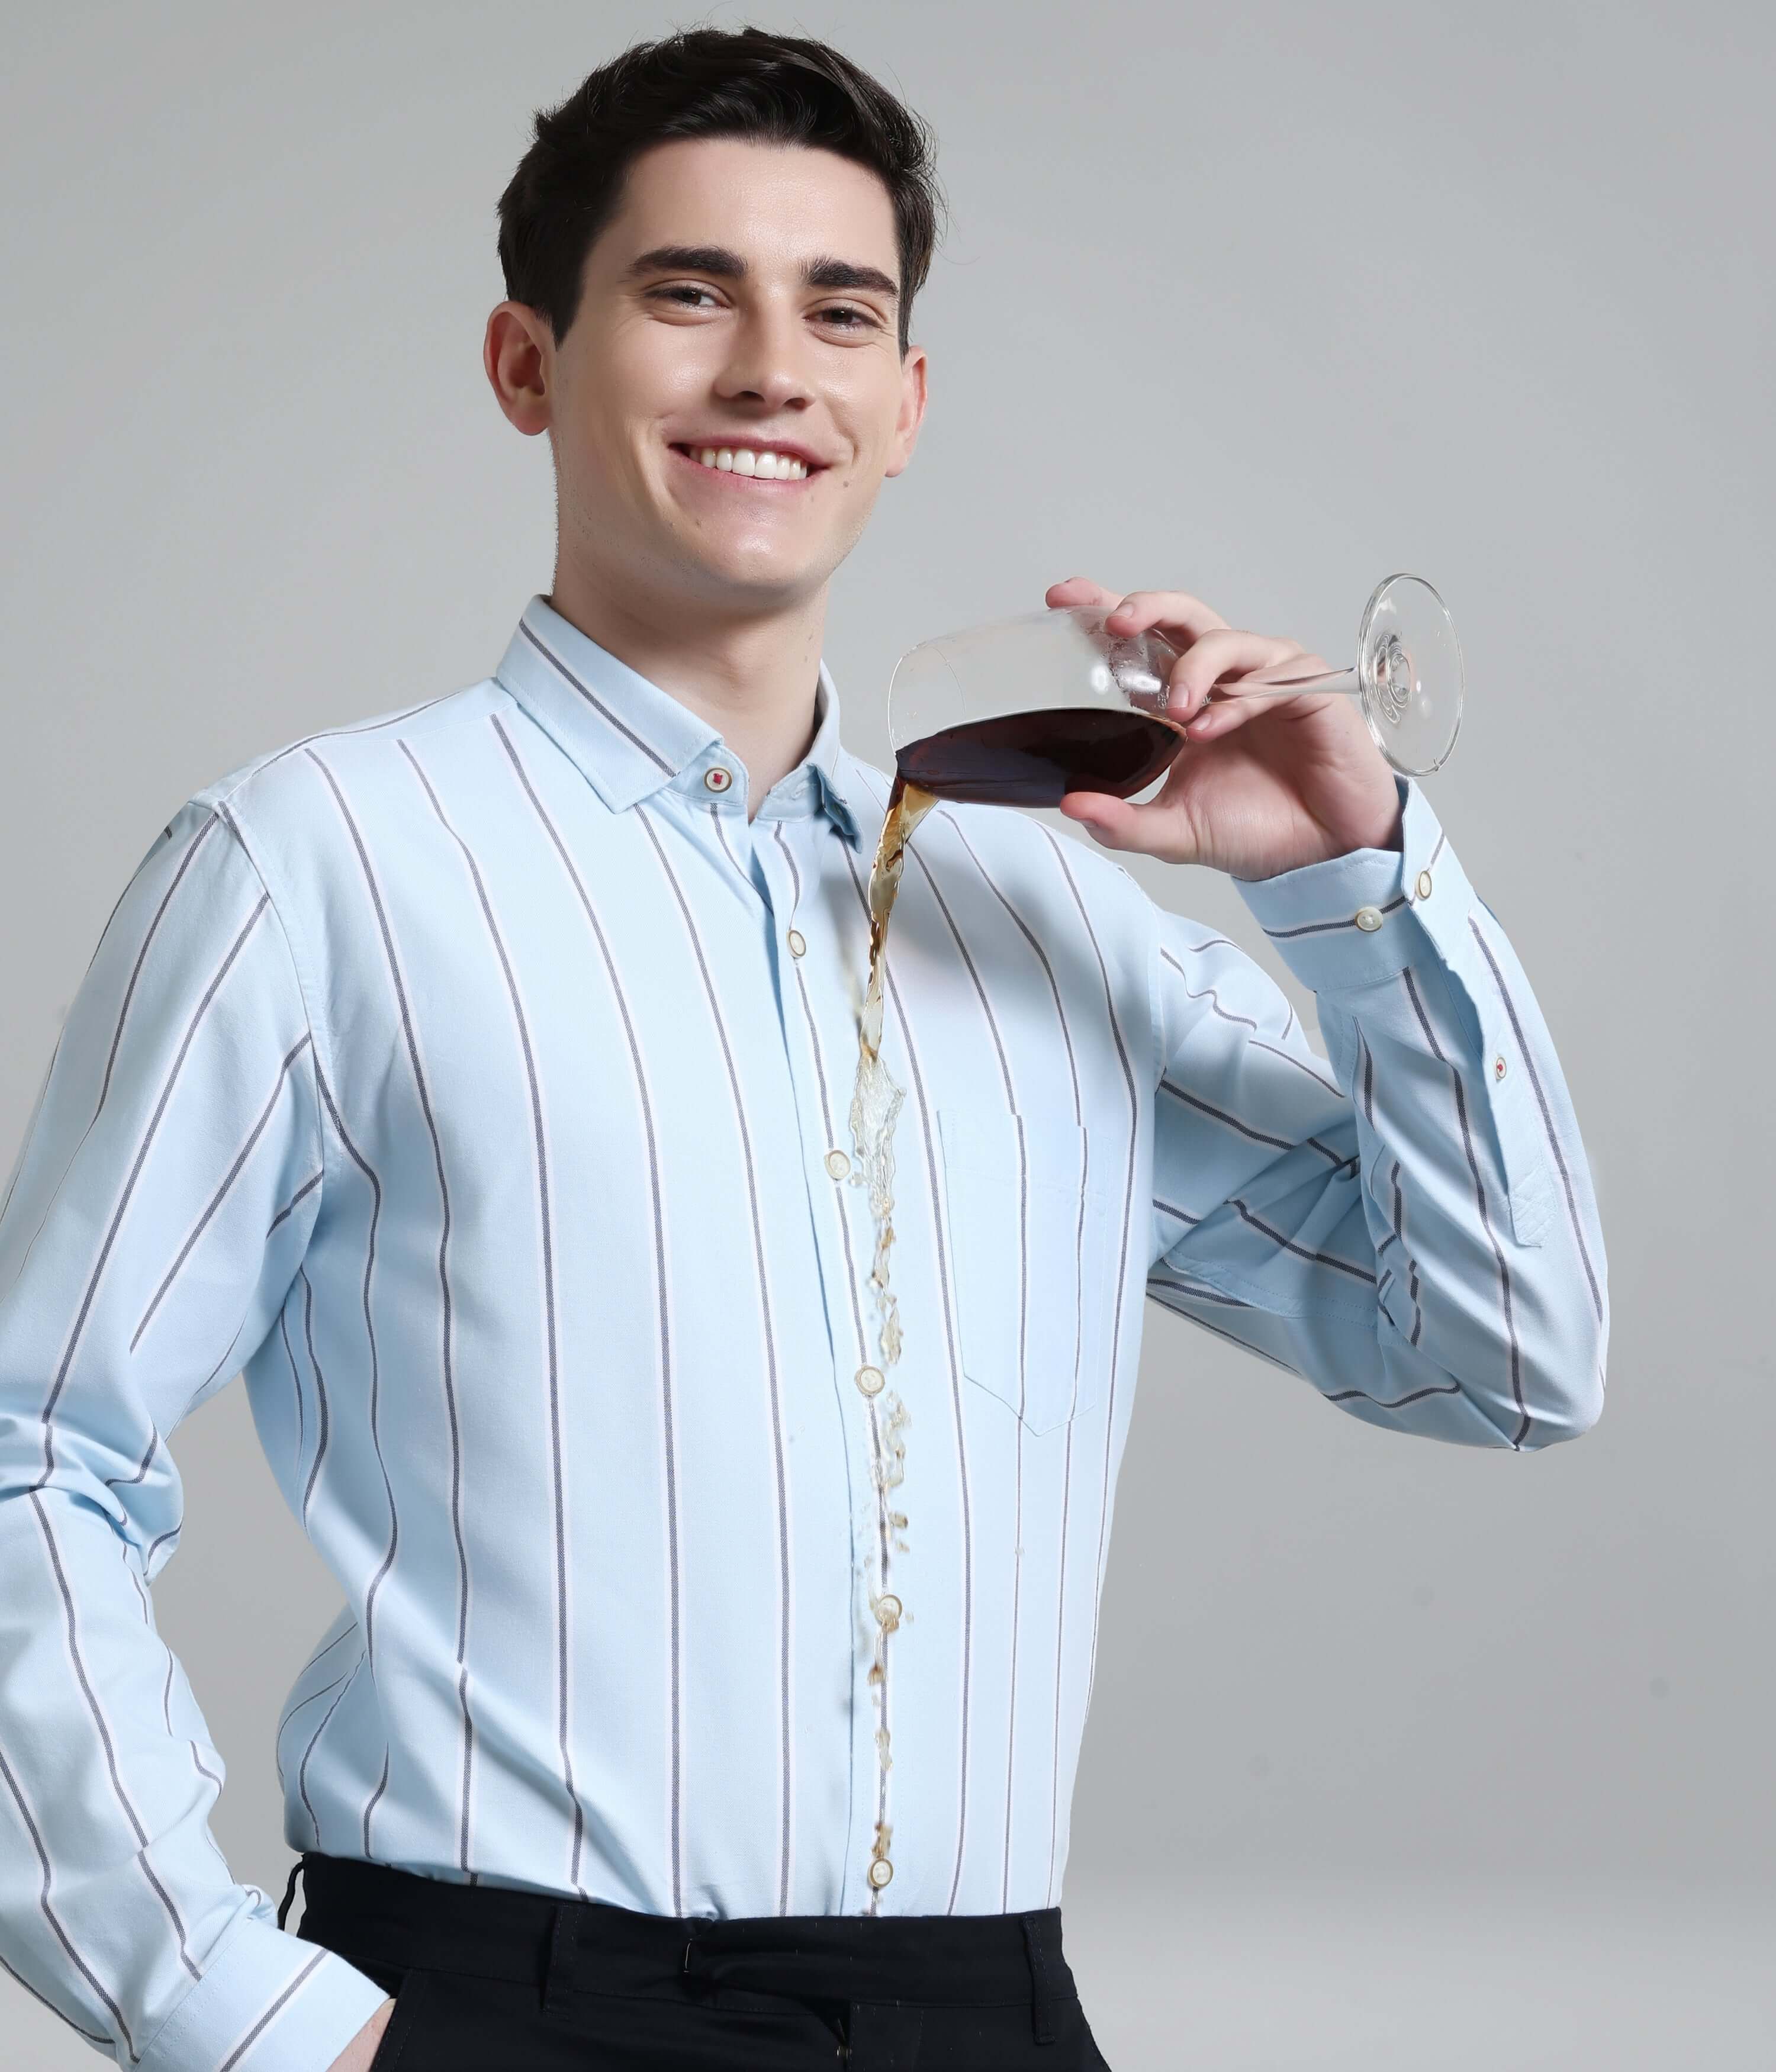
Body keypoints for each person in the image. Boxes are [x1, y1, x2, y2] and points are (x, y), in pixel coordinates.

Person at [0, 25, 1608, 2072]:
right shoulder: (317, 869)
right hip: (500, 2010)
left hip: (989, 2014)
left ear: (905, 403)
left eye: (839, 311)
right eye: (690, 293)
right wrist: (233, 2015)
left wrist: (1354, 878)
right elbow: (33, 1455)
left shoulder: (1052, 921)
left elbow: (1502, 1352)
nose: (774, 367)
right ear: (525, 365)